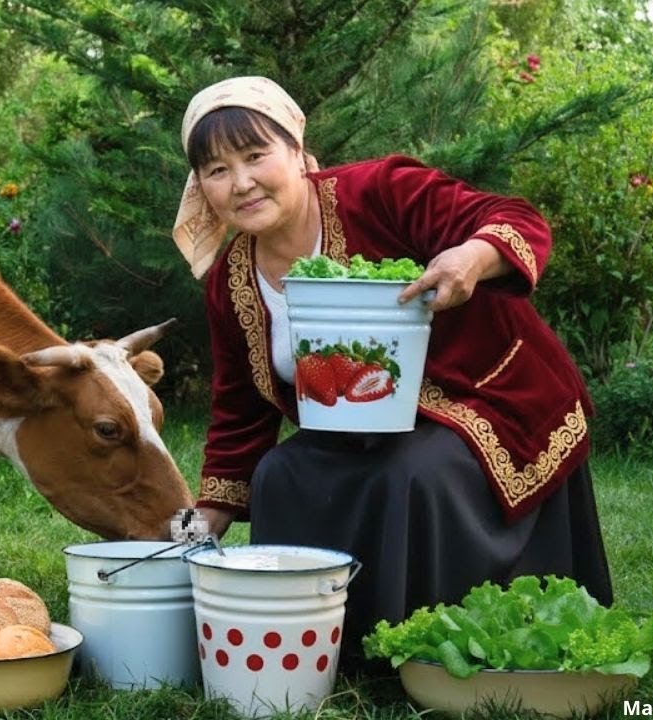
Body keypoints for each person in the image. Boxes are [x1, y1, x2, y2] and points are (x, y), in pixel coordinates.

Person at [173, 76, 613, 668]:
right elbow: (238, 411)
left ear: (297, 153)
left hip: (487, 398)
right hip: (361, 430)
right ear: (200, 185)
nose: (242, 182)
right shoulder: (232, 281)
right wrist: (204, 519)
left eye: (256, 156)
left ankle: (426, 646)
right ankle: (320, 643)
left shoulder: (377, 192)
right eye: (217, 170)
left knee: (409, 472)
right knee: (281, 471)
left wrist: (472, 256)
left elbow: (514, 217)